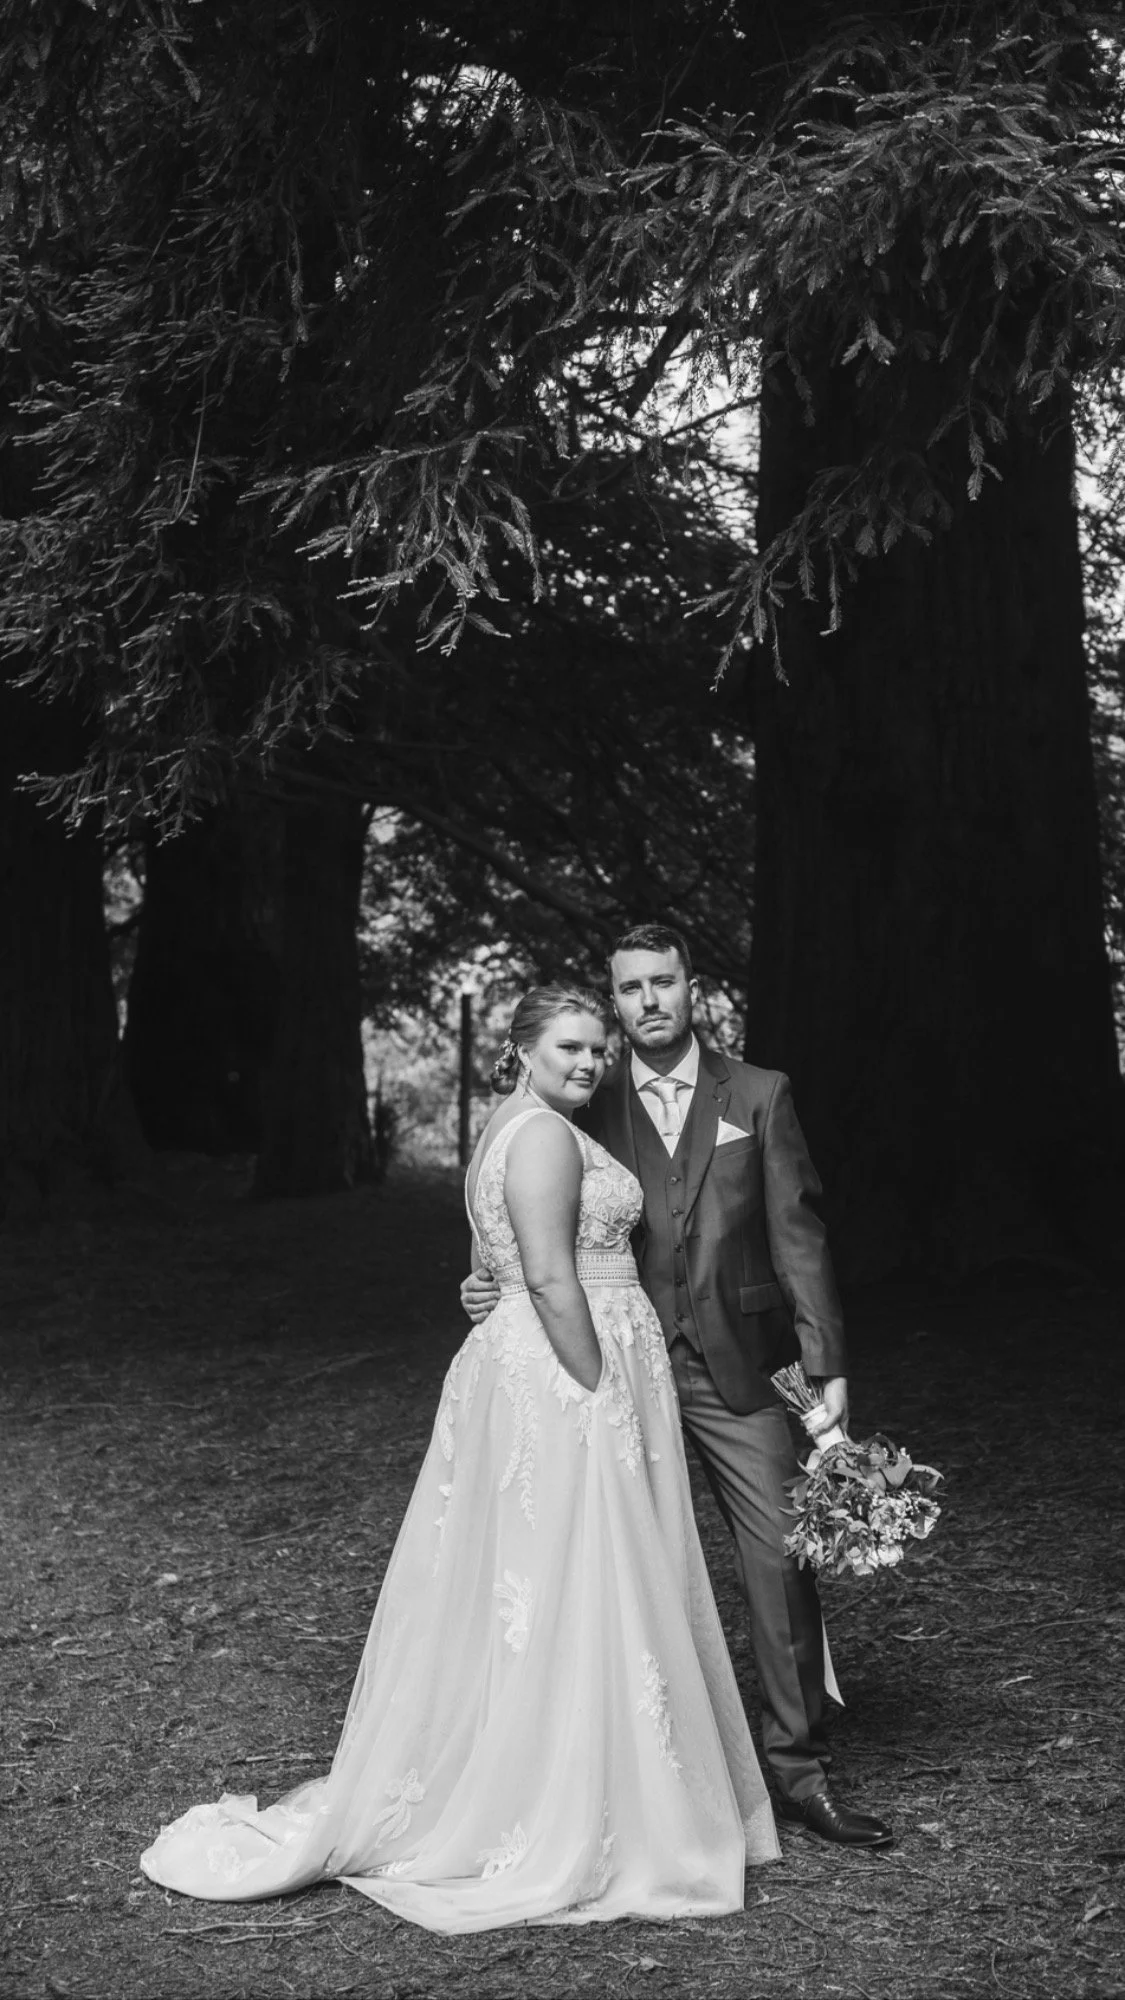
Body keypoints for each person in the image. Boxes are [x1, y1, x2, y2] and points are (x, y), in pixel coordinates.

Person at [140, 984, 780, 1932]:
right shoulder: (543, 1136)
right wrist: (595, 1386)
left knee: (555, 1576)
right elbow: (550, 1276)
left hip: (545, 1359)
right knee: (579, 1571)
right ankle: (578, 1806)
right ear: (521, 1049)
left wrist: (501, 1298)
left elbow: (503, 1266)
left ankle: (571, 1777)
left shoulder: (514, 1130)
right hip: (568, 1371)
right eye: (568, 1047)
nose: (588, 1062)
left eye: (596, 1050)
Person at [463, 929, 893, 1850]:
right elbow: (524, 1209)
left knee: (779, 1555)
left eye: (663, 982)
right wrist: (486, 1281)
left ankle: (798, 1771)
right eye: (629, 988)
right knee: (623, 1562)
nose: (647, 1001)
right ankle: (634, 1776)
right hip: (620, 1367)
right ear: (614, 1001)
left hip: (739, 1365)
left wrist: (825, 1363)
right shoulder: (581, 1093)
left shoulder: (759, 1094)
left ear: (692, 988)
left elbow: (799, 1235)